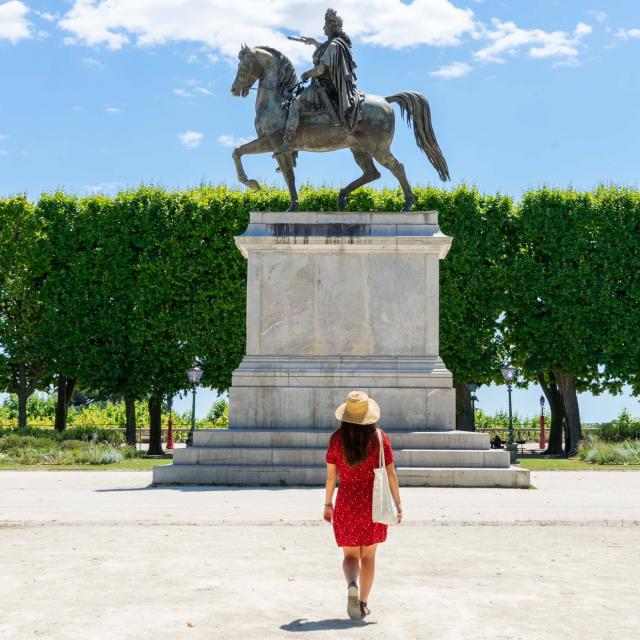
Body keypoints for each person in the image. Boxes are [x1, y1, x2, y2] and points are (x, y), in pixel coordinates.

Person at [324, 390, 402, 620]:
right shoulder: (379, 438)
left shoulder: (336, 440)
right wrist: (398, 503)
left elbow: (331, 477)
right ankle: (364, 603)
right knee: (368, 556)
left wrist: (328, 504)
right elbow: (391, 474)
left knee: (350, 555)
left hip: (347, 500)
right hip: (373, 501)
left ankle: (351, 583)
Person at [277, 8, 365, 156]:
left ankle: (288, 143)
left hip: (322, 88)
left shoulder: (332, 46)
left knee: (293, 105)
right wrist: (314, 42)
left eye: (325, 25)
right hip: (327, 86)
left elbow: (320, 70)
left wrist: (307, 73)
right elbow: (325, 51)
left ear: (331, 26)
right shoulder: (337, 43)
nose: (323, 27)